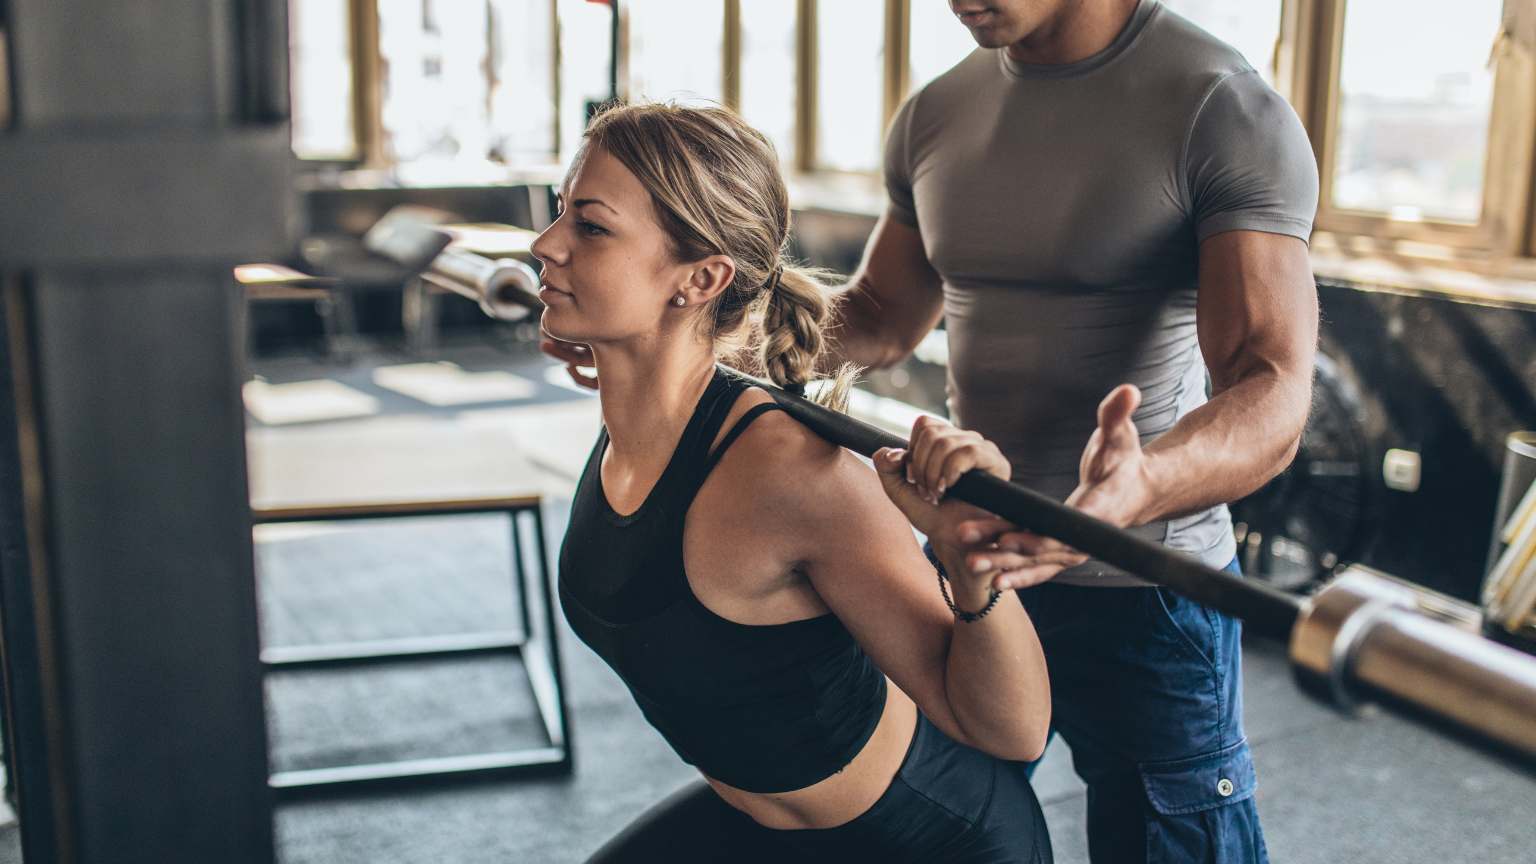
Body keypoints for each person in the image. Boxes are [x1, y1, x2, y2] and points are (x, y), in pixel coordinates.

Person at [545, 1, 1317, 861]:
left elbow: (1272, 384)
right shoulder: (939, 113)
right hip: (967, 552)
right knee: (941, 809)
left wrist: (1140, 488)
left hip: (1141, 583)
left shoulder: (1219, 104)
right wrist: (663, 349)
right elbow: (876, 315)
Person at [535, 102, 1055, 863]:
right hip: (766, 830)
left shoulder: (791, 473)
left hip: (927, 842)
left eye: (591, 226)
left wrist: (970, 564)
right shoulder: (639, 416)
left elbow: (1012, 731)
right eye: (558, 213)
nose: (545, 244)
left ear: (702, 277)